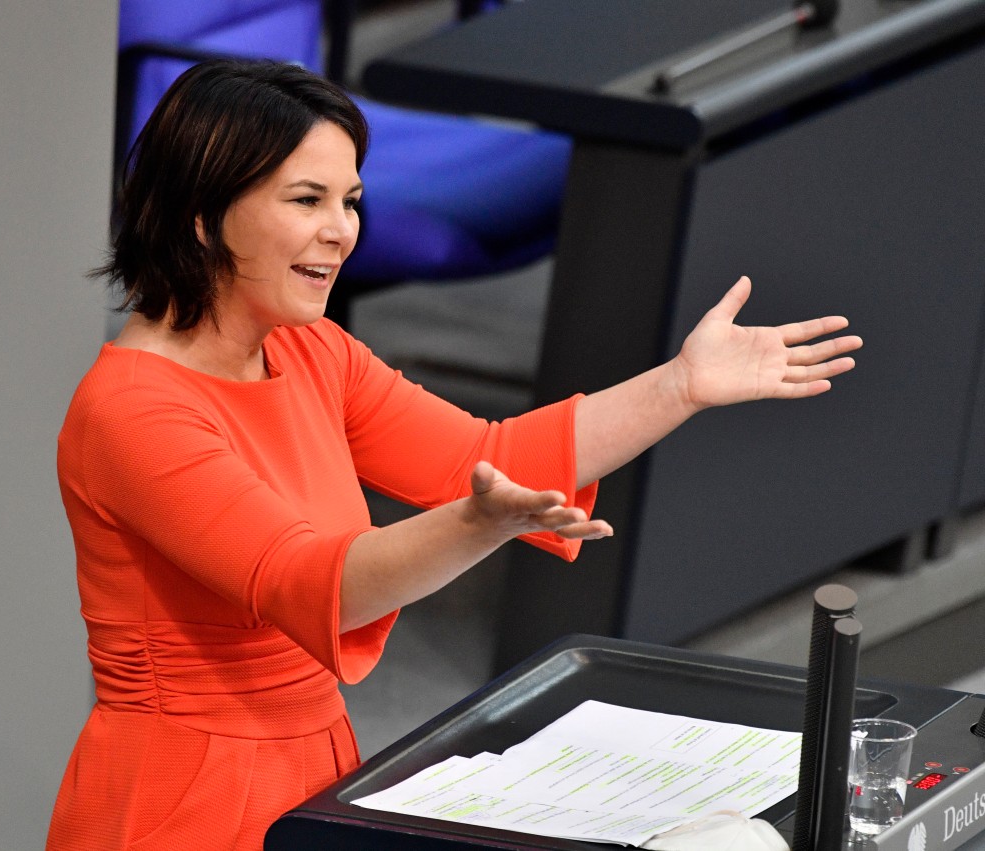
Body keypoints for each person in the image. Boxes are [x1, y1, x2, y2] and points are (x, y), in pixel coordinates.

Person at [45, 59, 861, 851]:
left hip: (310, 762)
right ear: (201, 215)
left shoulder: (313, 349)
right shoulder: (133, 412)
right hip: (179, 800)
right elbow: (312, 585)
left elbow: (489, 452)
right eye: (307, 200)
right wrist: (476, 522)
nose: (343, 230)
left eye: (351, 200)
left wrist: (680, 385)